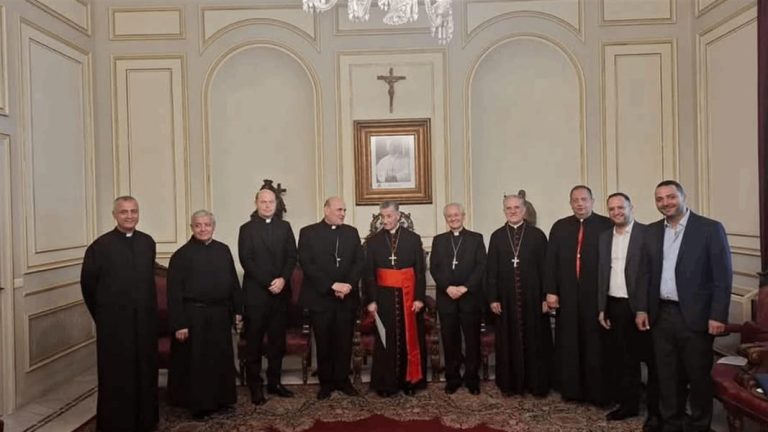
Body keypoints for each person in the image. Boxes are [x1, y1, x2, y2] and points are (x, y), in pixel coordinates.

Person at [638, 180, 731, 432]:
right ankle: (672, 424)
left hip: (696, 317)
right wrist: (642, 309)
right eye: (659, 199)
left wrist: (718, 315)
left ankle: (699, 425)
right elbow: (644, 274)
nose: (665, 203)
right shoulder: (651, 231)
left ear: (683, 197)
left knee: (698, 377)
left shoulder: (709, 229)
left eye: (670, 197)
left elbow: (722, 277)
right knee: (667, 376)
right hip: (661, 315)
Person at [80, 196, 158, 432]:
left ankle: (145, 420)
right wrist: (104, 317)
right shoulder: (100, 247)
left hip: (144, 322)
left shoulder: (147, 242)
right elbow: (88, 286)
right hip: (114, 325)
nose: (130, 216)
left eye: (134, 211)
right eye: (124, 212)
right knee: (117, 375)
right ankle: (117, 423)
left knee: (145, 371)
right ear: (114, 215)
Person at [167, 210, 243, 418]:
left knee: (221, 358)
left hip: (220, 314)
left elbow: (233, 283)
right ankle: (199, 405)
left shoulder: (223, 250)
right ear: (191, 227)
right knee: (198, 362)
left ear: (213, 226)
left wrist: (238, 309)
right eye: (198, 225)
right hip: (194, 316)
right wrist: (179, 323)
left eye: (207, 225)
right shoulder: (181, 255)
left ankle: (222, 399)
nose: (203, 229)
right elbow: (173, 293)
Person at [545, 185, 613, 405]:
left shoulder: (606, 225)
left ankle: (597, 392)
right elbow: (550, 261)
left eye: (584, 199)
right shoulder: (560, 227)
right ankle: (572, 389)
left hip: (596, 296)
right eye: (575, 200)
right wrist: (551, 291)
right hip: (567, 295)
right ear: (570, 203)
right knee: (570, 343)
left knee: (595, 344)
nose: (580, 203)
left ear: (592, 201)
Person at [596, 193, 659, 429]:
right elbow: (603, 273)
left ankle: (656, 410)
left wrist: (644, 308)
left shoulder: (648, 234)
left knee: (652, 360)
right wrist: (601, 307)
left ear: (631, 207)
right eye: (612, 209)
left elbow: (653, 274)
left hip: (643, 307)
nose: (616, 212)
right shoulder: (604, 237)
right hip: (615, 304)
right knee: (623, 360)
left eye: (620, 207)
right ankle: (629, 404)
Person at [298, 197, 364, 400]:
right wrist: (332, 285)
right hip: (320, 298)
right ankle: (326, 383)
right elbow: (307, 264)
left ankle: (343, 380)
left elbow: (359, 262)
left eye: (344, 210)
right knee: (324, 342)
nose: (343, 213)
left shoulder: (351, 232)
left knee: (344, 342)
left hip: (346, 298)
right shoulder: (308, 233)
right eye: (339, 210)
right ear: (326, 210)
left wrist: (348, 285)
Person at [487, 194, 552, 396]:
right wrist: (493, 298)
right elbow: (491, 270)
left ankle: (536, 384)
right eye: (509, 208)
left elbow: (547, 269)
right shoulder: (497, 236)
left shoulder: (537, 236)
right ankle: (511, 384)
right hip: (506, 300)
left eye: (516, 207)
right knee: (508, 341)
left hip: (533, 298)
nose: (513, 211)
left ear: (524, 210)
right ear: (504, 211)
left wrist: (545, 297)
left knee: (536, 340)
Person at [238, 189, 298, 405]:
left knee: (277, 342)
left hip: (280, 295)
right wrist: (268, 282)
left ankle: (275, 382)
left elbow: (292, 256)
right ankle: (255, 386)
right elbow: (246, 260)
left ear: (276, 203)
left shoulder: (285, 227)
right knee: (254, 343)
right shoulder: (246, 229)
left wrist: (282, 279)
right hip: (256, 295)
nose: (267, 205)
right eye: (263, 202)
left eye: (271, 202)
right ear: (256, 203)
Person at [364, 201, 427, 396]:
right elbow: (368, 274)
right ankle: (386, 384)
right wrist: (371, 300)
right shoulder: (373, 241)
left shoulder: (413, 239)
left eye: (389, 216)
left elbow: (420, 271)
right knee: (386, 341)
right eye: (382, 216)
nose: (385, 220)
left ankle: (410, 382)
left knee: (409, 339)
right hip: (383, 298)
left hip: (409, 296)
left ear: (398, 215)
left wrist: (419, 298)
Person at [429, 203, 486, 395]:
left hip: (470, 298)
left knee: (472, 340)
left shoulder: (476, 239)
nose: (453, 218)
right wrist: (447, 287)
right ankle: (452, 378)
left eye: (456, 215)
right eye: (449, 216)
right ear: (446, 219)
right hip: (446, 298)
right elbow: (434, 267)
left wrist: (465, 287)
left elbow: (481, 266)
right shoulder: (439, 240)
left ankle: (472, 378)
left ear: (463, 215)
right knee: (449, 340)